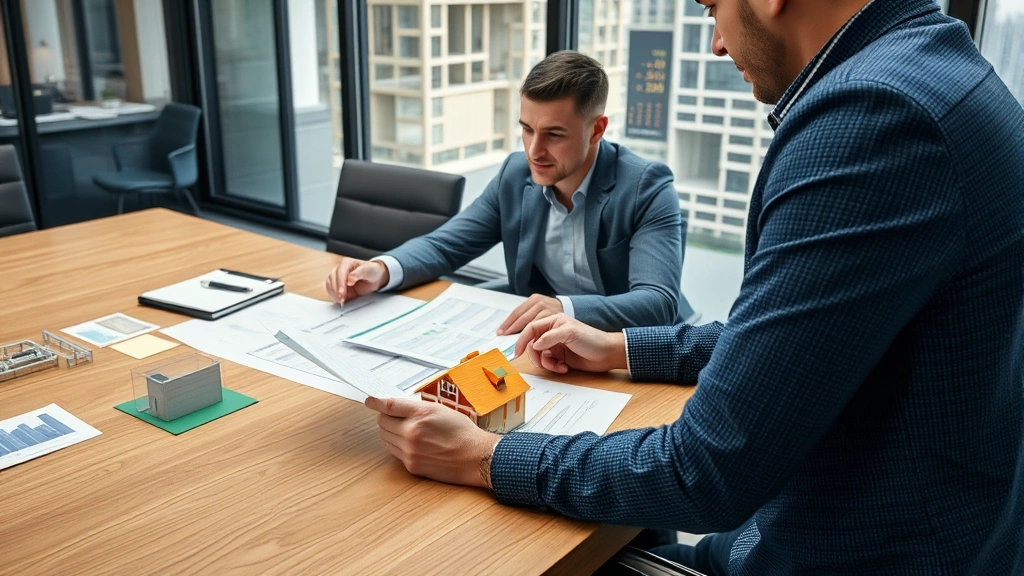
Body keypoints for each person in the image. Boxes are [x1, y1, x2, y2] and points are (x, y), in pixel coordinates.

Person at [363, 0, 1024, 573]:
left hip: (845, 552)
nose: (714, 41)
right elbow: (796, 340)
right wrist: (621, 349)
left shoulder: (871, 120)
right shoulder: (940, 74)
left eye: (712, 8)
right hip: (899, 528)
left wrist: (485, 456)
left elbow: (707, 470)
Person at [325, 51, 687, 333]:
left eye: (554, 134)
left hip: (619, 348)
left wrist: (564, 308)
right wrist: (380, 270)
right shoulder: (516, 174)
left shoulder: (647, 187)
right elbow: (445, 245)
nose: (534, 150)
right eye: (527, 129)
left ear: (597, 129)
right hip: (546, 344)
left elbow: (657, 303)